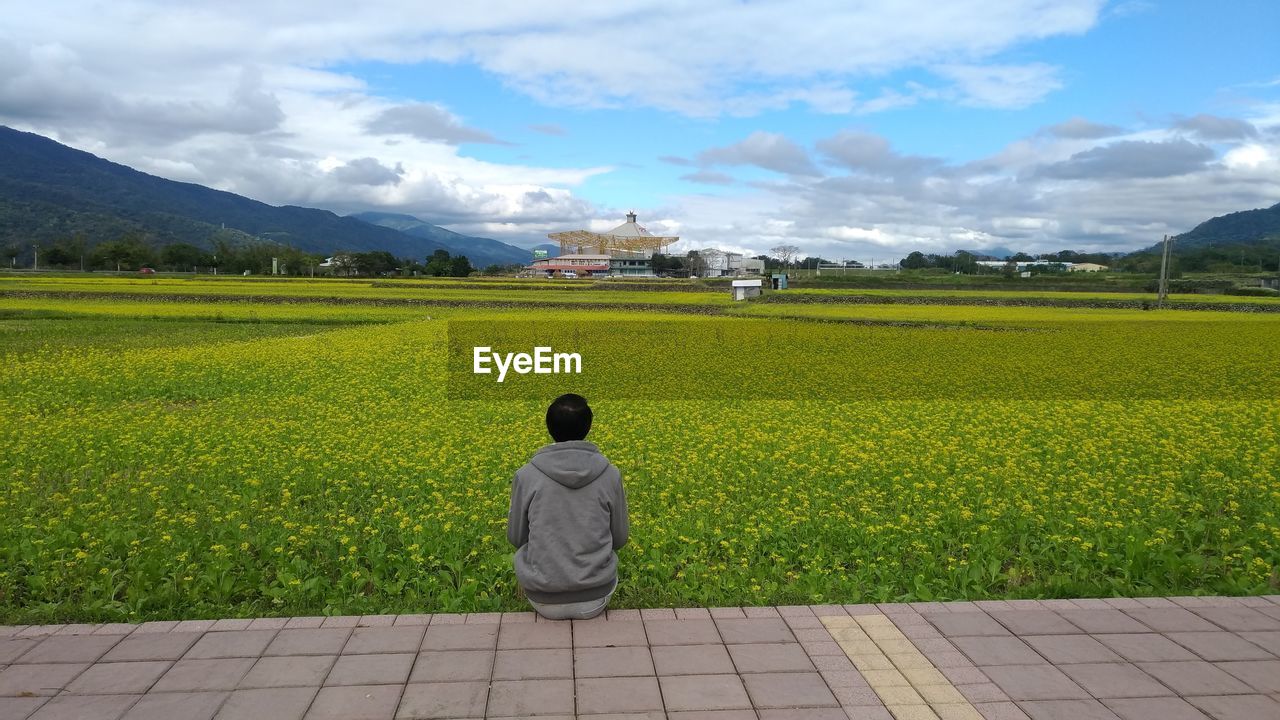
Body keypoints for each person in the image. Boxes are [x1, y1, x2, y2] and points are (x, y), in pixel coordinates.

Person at [507, 393, 629, 620]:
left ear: (549, 427)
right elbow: (620, 539)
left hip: (542, 598)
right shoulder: (611, 475)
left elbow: (516, 538)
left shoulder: (526, 475)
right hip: (596, 597)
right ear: (588, 427)